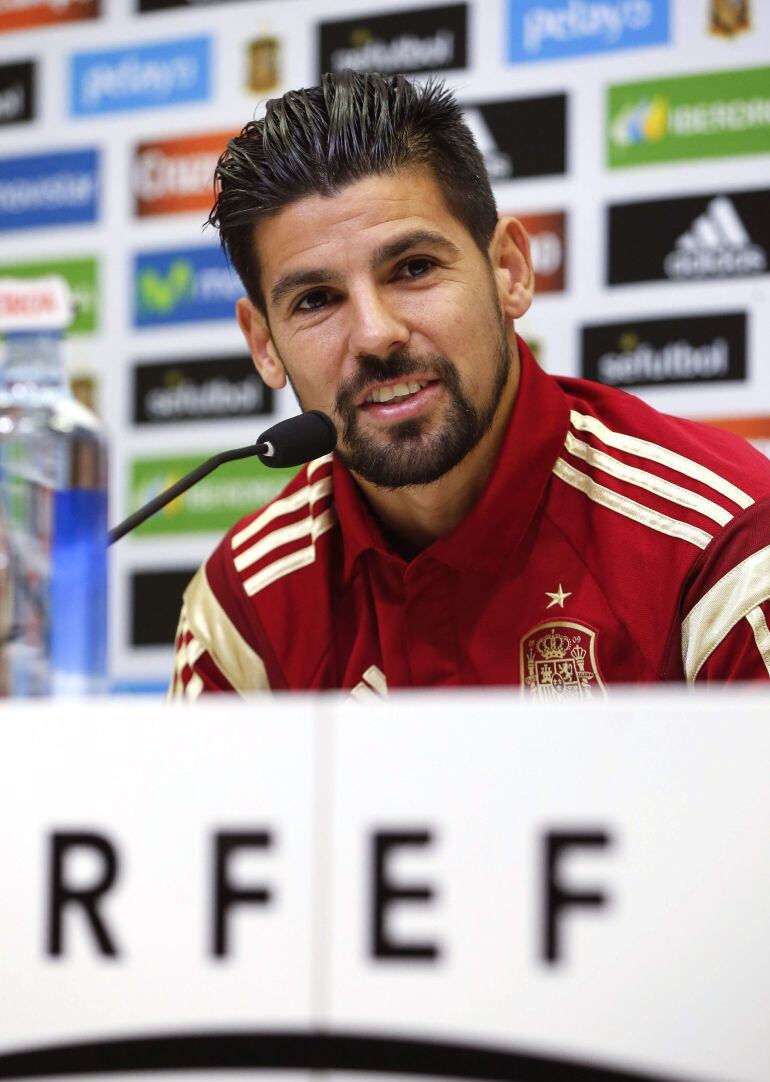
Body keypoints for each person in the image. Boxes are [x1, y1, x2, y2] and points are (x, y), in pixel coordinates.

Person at [169, 71, 770, 700]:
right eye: (317, 300)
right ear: (265, 344)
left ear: (509, 270)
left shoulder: (717, 548)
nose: (375, 335)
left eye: (413, 268)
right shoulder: (245, 609)